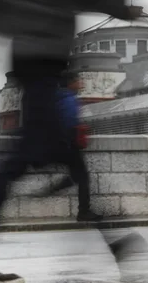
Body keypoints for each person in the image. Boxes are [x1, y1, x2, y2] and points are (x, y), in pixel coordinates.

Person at [0, 0, 143, 283]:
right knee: (23, 158)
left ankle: (118, 239)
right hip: (45, 54)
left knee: (58, 155)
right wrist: (121, 5)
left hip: (29, 58)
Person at [38, 72, 103, 222]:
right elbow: (68, 123)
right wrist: (76, 134)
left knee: (78, 176)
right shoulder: (68, 99)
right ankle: (84, 211)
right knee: (83, 177)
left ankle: (55, 189)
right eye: (78, 81)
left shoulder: (60, 98)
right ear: (71, 83)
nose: (80, 84)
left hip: (63, 144)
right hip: (70, 144)